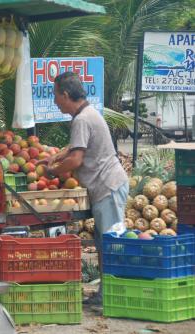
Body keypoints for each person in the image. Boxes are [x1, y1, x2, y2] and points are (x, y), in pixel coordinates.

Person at [41, 71, 128, 304]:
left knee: (112, 244)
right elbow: (74, 147)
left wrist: (52, 171)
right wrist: (55, 157)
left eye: (55, 95)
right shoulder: (88, 114)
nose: (55, 100)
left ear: (66, 95)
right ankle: (107, 294)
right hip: (108, 186)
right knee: (104, 244)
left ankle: (115, 295)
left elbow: (76, 160)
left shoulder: (81, 119)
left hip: (107, 186)